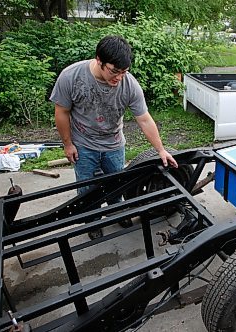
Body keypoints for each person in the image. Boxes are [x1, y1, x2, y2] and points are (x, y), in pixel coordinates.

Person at [50, 35, 178, 239]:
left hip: (114, 144)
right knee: (86, 189)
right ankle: (92, 222)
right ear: (99, 60)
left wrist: (161, 150)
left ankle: (116, 212)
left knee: (117, 184)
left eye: (124, 72)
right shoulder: (71, 77)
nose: (119, 78)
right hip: (83, 145)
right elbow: (62, 112)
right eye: (114, 71)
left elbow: (144, 119)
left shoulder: (129, 85)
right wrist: (68, 145)